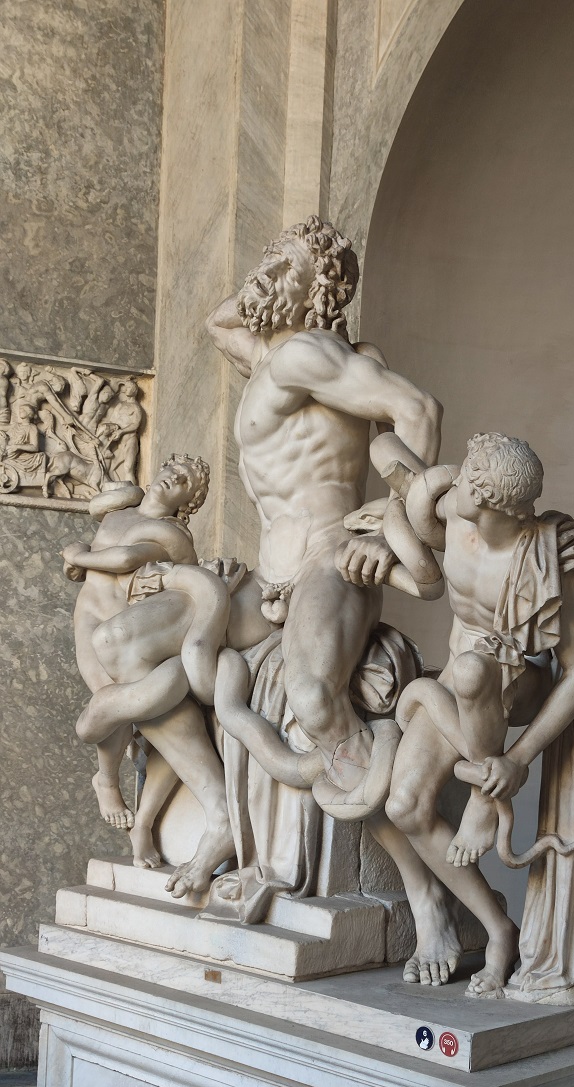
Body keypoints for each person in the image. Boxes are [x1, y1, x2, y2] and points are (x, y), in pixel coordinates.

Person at [205, 214, 443, 818]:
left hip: (329, 558)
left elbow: (419, 410)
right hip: (270, 575)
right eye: (268, 254)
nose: (266, 270)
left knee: (312, 697)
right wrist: (274, 272)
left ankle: (392, 843)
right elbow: (219, 321)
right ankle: (219, 821)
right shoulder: (268, 358)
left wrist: (392, 532)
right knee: (165, 649)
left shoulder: (307, 356)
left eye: (286, 266)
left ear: (314, 295)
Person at [353, 431, 574, 997]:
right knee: (404, 805)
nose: (454, 479)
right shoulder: (454, 512)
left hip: (518, 683)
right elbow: (388, 453)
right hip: (460, 682)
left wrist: (519, 758)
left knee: (470, 671)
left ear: (490, 502)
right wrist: (386, 538)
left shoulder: (544, 564)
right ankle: (498, 928)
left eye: (467, 477)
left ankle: (486, 796)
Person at [62, 455, 210, 834]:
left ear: (186, 503)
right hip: (88, 615)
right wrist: (78, 551)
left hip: (123, 630)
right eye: (171, 469)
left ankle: (107, 780)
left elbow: (126, 557)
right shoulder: (120, 511)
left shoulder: (173, 533)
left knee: (118, 703)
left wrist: (80, 556)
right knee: (109, 699)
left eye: (183, 481)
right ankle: (108, 778)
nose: (172, 477)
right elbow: (96, 541)